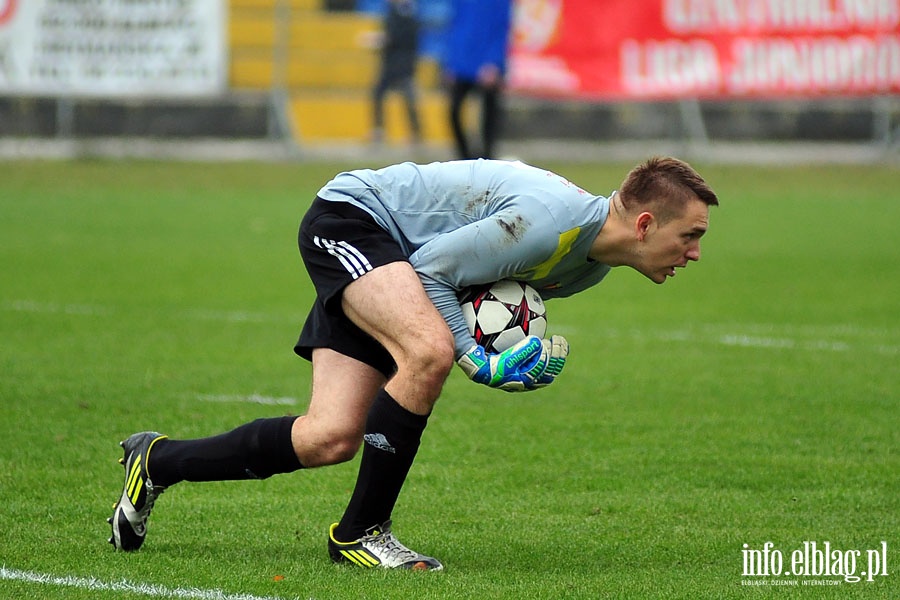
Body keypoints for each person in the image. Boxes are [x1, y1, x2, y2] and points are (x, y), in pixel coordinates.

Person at [108, 156, 719, 571]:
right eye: (690, 236)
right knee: (428, 353)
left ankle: (156, 460)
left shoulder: (590, 267)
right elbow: (431, 272)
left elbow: (478, 296)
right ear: (644, 223)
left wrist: (511, 354)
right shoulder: (550, 226)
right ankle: (360, 534)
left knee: (330, 437)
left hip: (397, 267)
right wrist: (478, 360)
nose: (693, 253)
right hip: (354, 221)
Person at [442, 0, 513, 159]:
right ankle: (465, 158)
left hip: (487, 63)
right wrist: (451, 62)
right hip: (463, 61)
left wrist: (493, 61)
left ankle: (488, 159)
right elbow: (455, 25)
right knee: (454, 111)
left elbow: (501, 27)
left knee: (489, 113)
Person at [370, 0, 422, 146]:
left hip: (403, 65)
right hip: (391, 64)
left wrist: (380, 40)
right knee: (379, 94)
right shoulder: (394, 12)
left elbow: (398, 38)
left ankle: (415, 133)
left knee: (408, 99)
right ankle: (379, 130)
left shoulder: (408, 14)